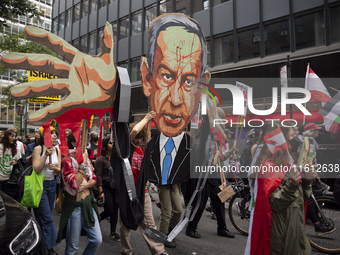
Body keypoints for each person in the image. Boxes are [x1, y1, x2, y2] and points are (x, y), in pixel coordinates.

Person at [140, 13, 209, 247]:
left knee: (179, 211)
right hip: (162, 182)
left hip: (174, 183)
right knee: (168, 212)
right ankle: (161, 240)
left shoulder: (188, 141)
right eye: (167, 76)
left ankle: (167, 234)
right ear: (148, 79)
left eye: (189, 81)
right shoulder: (153, 139)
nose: (177, 99)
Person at [245, 121, 317, 255]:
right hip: (281, 234)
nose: (296, 132)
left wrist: (307, 182)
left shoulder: (290, 162)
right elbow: (274, 203)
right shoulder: (269, 166)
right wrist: (292, 185)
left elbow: (301, 198)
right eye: (293, 129)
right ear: (283, 133)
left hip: (294, 231)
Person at [120, 111, 168, 255]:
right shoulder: (125, 148)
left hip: (143, 192)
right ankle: (126, 251)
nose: (138, 140)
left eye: (141, 138)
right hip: (127, 191)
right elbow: (134, 130)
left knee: (148, 223)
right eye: (137, 138)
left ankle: (158, 251)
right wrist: (146, 118)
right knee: (125, 224)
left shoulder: (143, 149)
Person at [57, 132, 102, 255]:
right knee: (73, 247)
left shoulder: (85, 157)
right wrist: (82, 164)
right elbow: (75, 184)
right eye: (81, 140)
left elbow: (93, 178)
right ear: (72, 143)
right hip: (74, 206)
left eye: (86, 140)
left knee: (97, 240)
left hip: (88, 203)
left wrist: (87, 185)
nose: (85, 143)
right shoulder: (67, 160)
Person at [32, 127, 61, 255]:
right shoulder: (38, 149)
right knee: (47, 218)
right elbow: (36, 169)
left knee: (42, 217)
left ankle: (39, 243)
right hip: (40, 185)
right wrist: (45, 156)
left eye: (55, 134)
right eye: (52, 134)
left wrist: (55, 168)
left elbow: (59, 170)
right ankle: (51, 248)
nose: (54, 136)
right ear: (45, 136)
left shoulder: (58, 150)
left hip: (52, 185)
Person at [95, 136, 120, 241]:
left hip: (116, 187)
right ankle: (95, 221)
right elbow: (98, 175)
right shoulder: (100, 159)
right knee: (109, 209)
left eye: (113, 143)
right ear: (105, 145)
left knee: (115, 210)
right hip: (105, 186)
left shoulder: (116, 157)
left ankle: (113, 232)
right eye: (110, 143)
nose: (112, 145)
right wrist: (101, 192)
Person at [0, 129, 21, 195]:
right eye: (12, 136)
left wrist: (16, 162)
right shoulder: (0, 147)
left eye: (15, 137)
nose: (13, 138)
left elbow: (19, 159)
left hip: (9, 179)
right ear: (7, 137)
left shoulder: (15, 149)